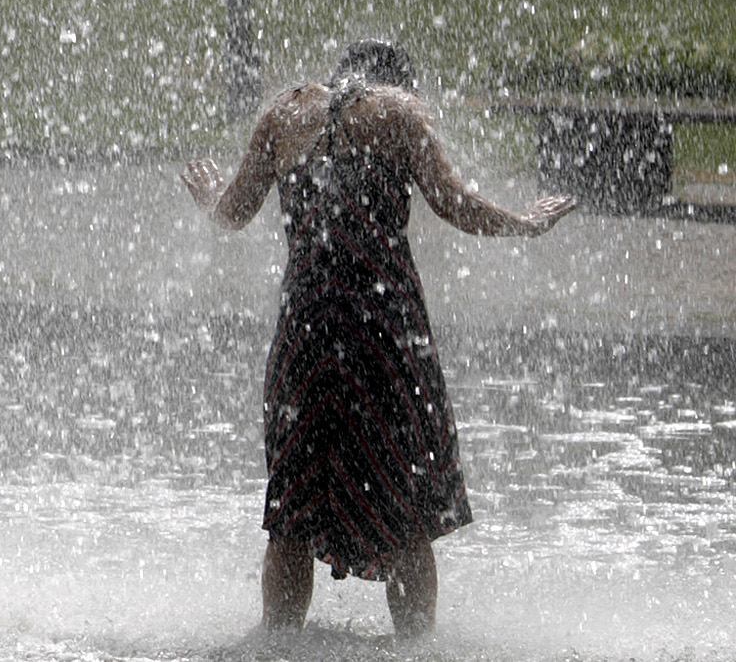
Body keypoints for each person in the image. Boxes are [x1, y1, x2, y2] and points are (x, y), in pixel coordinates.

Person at [180, 38, 577, 639]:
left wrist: (209, 196)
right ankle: (415, 649)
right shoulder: (401, 113)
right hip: (384, 330)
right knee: (407, 498)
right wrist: (524, 223)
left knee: (293, 504)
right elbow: (454, 204)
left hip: (306, 328)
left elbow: (232, 213)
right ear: (400, 83)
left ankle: (275, 645)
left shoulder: (283, 113)